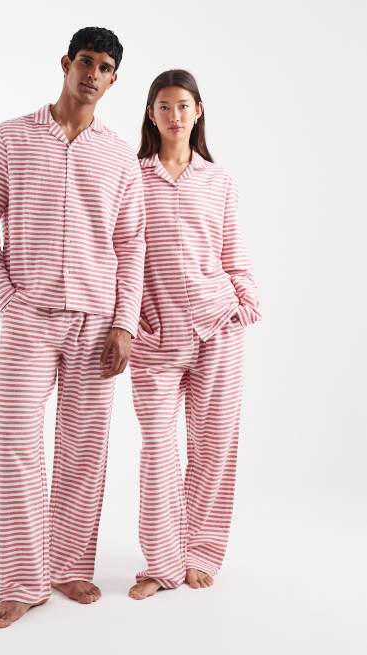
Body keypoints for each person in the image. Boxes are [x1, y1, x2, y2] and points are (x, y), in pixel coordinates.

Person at [0, 26, 146, 627]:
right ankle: (24, 580)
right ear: (66, 63)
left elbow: (131, 244)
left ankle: (69, 565)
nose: (93, 74)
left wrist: (125, 323)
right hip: (28, 323)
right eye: (86, 62)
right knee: (19, 447)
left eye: (105, 68)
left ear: (114, 80)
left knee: (83, 450)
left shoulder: (119, 156)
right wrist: (6, 299)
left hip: (97, 325)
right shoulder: (12, 137)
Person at [127, 69, 261, 600]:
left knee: (213, 447)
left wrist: (244, 300)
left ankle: (201, 552)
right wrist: (129, 317)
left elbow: (232, 250)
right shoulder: (131, 177)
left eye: (183, 106)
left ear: (198, 111)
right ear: (151, 114)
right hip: (154, 337)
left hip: (217, 328)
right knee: (158, 450)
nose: (174, 115)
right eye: (164, 106)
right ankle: (161, 563)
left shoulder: (219, 180)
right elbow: (121, 255)